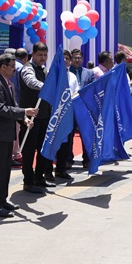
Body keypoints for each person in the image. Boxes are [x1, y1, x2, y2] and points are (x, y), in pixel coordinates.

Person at [0, 53, 38, 217]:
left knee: (6, 169)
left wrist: (24, 119)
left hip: (7, 134)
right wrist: (25, 111)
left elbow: (12, 105)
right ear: (3, 67)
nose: (15, 69)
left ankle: (2, 200)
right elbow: (1, 109)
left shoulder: (9, 84)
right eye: (13, 66)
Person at [17, 42, 52, 194]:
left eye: (45, 55)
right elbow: (31, 82)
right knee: (29, 151)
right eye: (40, 55)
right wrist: (46, 87)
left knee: (43, 150)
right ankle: (28, 181)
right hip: (30, 118)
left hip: (44, 116)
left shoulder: (45, 70)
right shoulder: (27, 68)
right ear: (33, 54)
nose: (43, 58)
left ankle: (39, 177)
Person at [52, 49, 80, 181]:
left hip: (69, 114)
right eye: (62, 58)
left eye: (67, 58)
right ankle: (48, 169)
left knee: (67, 143)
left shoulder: (72, 76)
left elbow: (76, 92)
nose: (65, 61)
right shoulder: (52, 74)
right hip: (55, 114)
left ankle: (61, 169)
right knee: (54, 141)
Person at [69, 48, 94, 169]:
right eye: (74, 58)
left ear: (83, 59)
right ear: (71, 59)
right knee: (69, 135)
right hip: (70, 108)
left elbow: (93, 88)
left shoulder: (89, 73)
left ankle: (87, 159)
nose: (77, 60)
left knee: (86, 134)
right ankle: (68, 159)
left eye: (79, 58)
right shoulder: (67, 73)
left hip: (84, 108)